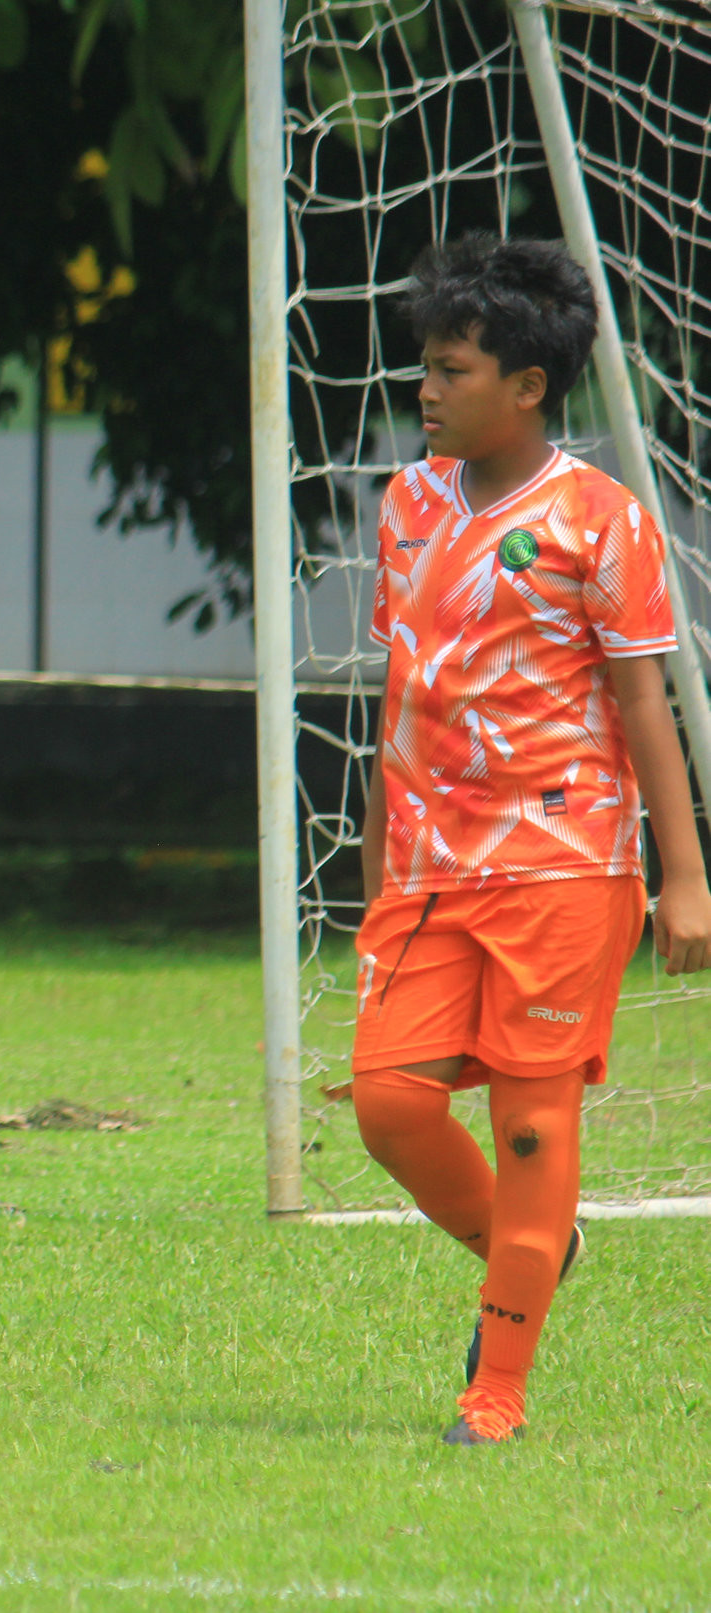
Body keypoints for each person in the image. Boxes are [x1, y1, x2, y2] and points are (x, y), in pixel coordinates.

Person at [350, 234, 711, 1447]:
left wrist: (687, 873)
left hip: (566, 865)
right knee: (389, 1105)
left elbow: (643, 707)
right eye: (425, 365)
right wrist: (372, 852)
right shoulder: (405, 506)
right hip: (428, 866)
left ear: (525, 387)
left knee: (530, 1124)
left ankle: (493, 1390)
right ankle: (537, 1242)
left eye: (451, 367)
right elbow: (397, 693)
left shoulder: (603, 523)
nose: (426, 387)